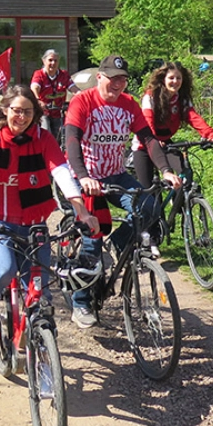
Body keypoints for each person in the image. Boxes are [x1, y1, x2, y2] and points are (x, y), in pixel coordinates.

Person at [0, 85, 99, 333]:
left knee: (40, 291)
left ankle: (40, 341)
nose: (22, 117)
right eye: (16, 110)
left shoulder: (42, 138)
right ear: (5, 110)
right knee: (5, 269)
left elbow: (61, 173)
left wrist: (81, 210)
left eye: (28, 111)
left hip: (33, 222)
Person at [64, 54, 182, 328]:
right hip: (86, 178)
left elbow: (148, 139)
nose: (118, 84)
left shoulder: (128, 104)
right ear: (100, 77)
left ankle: (118, 243)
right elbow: (71, 141)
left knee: (150, 207)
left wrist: (165, 170)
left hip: (116, 174)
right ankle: (81, 302)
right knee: (92, 237)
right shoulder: (83, 101)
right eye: (113, 79)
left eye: (123, 80)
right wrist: (83, 177)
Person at [131, 61, 213, 189]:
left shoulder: (182, 98)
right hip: (145, 144)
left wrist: (211, 135)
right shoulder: (151, 97)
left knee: (183, 174)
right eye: (171, 78)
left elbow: (193, 117)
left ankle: (180, 200)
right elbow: (148, 121)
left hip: (166, 143)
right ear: (163, 79)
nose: (175, 81)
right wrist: (155, 140)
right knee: (148, 191)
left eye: (178, 78)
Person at [30, 49, 79, 141]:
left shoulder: (63, 75)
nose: (53, 63)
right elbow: (34, 88)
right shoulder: (39, 74)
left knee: (62, 136)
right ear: (44, 61)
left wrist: (82, 96)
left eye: (55, 60)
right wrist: (38, 100)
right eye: (50, 60)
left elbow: (74, 89)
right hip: (44, 112)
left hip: (58, 112)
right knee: (46, 131)